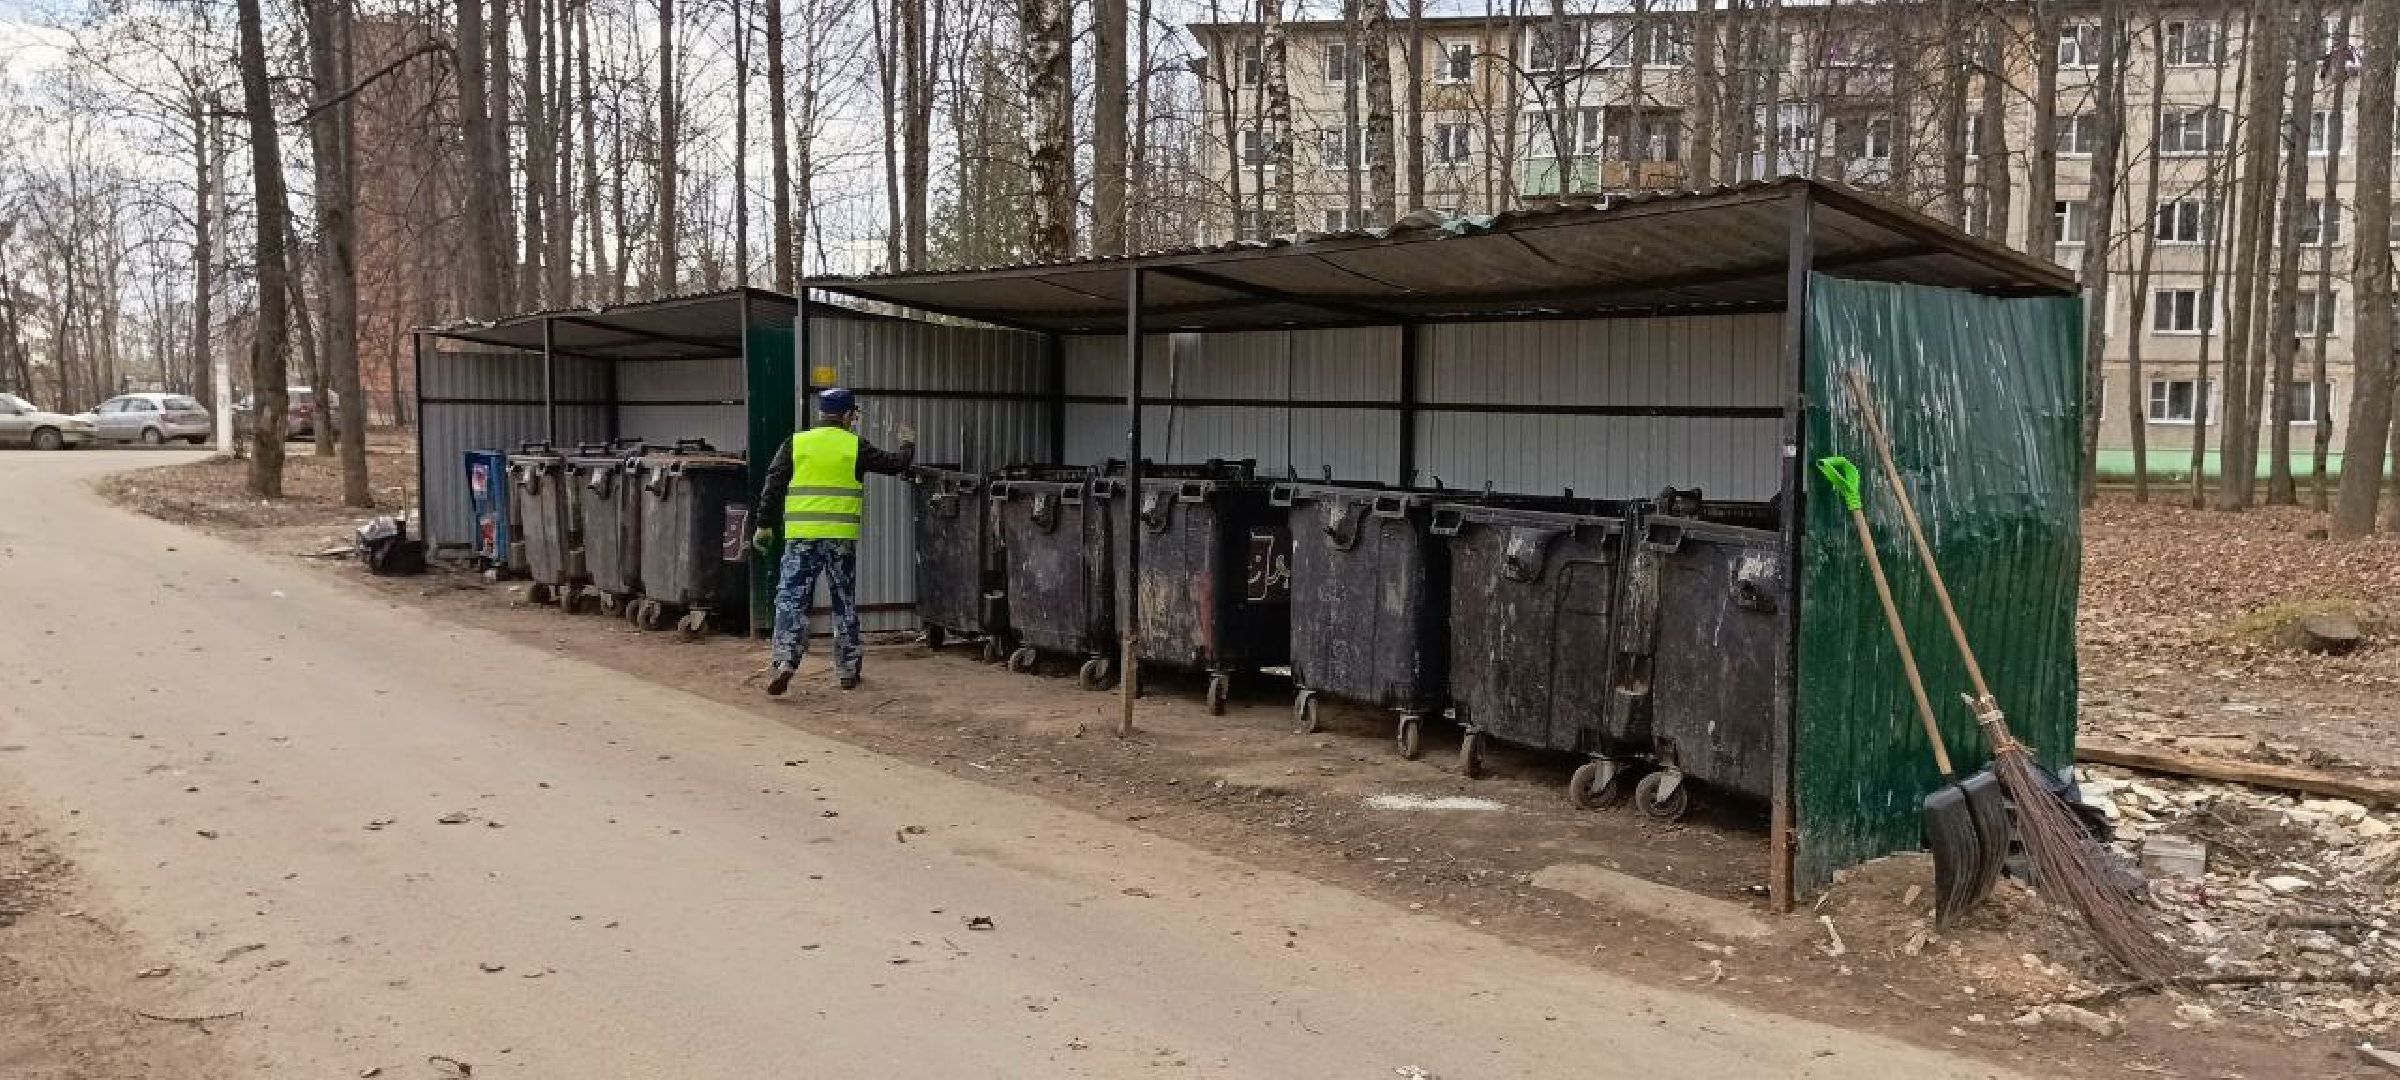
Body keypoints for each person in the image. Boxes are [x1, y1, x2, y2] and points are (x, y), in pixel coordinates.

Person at [749, 387, 914, 694]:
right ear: (848, 415)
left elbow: (773, 482)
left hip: (801, 539)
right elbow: (895, 465)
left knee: (791, 600)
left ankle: (785, 661)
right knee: (843, 603)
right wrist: (907, 444)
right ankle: (848, 671)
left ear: (822, 414)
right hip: (840, 540)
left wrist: (763, 525)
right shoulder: (855, 446)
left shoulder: (796, 443)